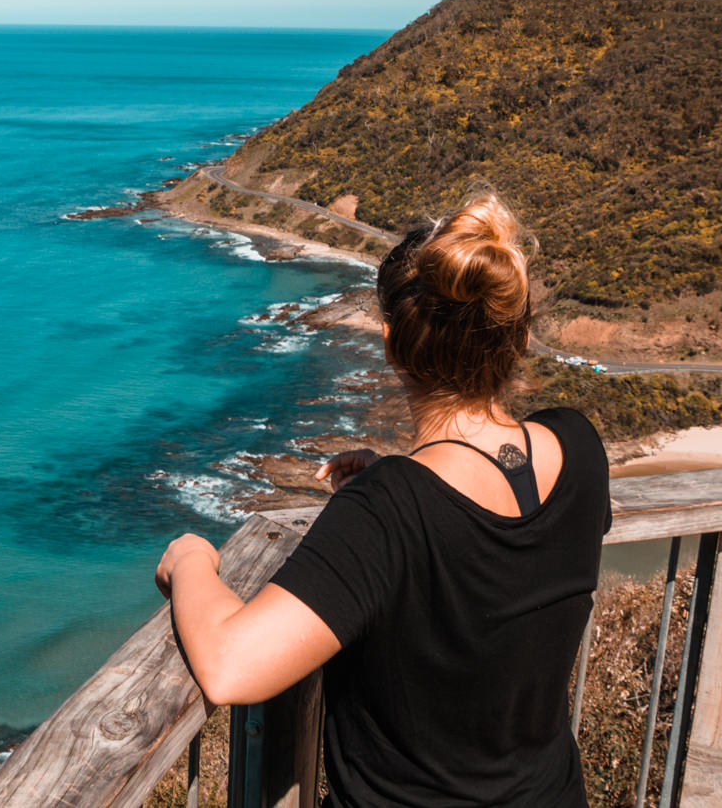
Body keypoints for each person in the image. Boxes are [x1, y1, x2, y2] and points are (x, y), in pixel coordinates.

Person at [155, 191, 611, 807]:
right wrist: (384, 487)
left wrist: (190, 559)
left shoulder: (389, 511)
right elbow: (491, 562)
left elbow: (230, 666)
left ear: (393, 344)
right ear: (521, 337)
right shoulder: (578, 447)